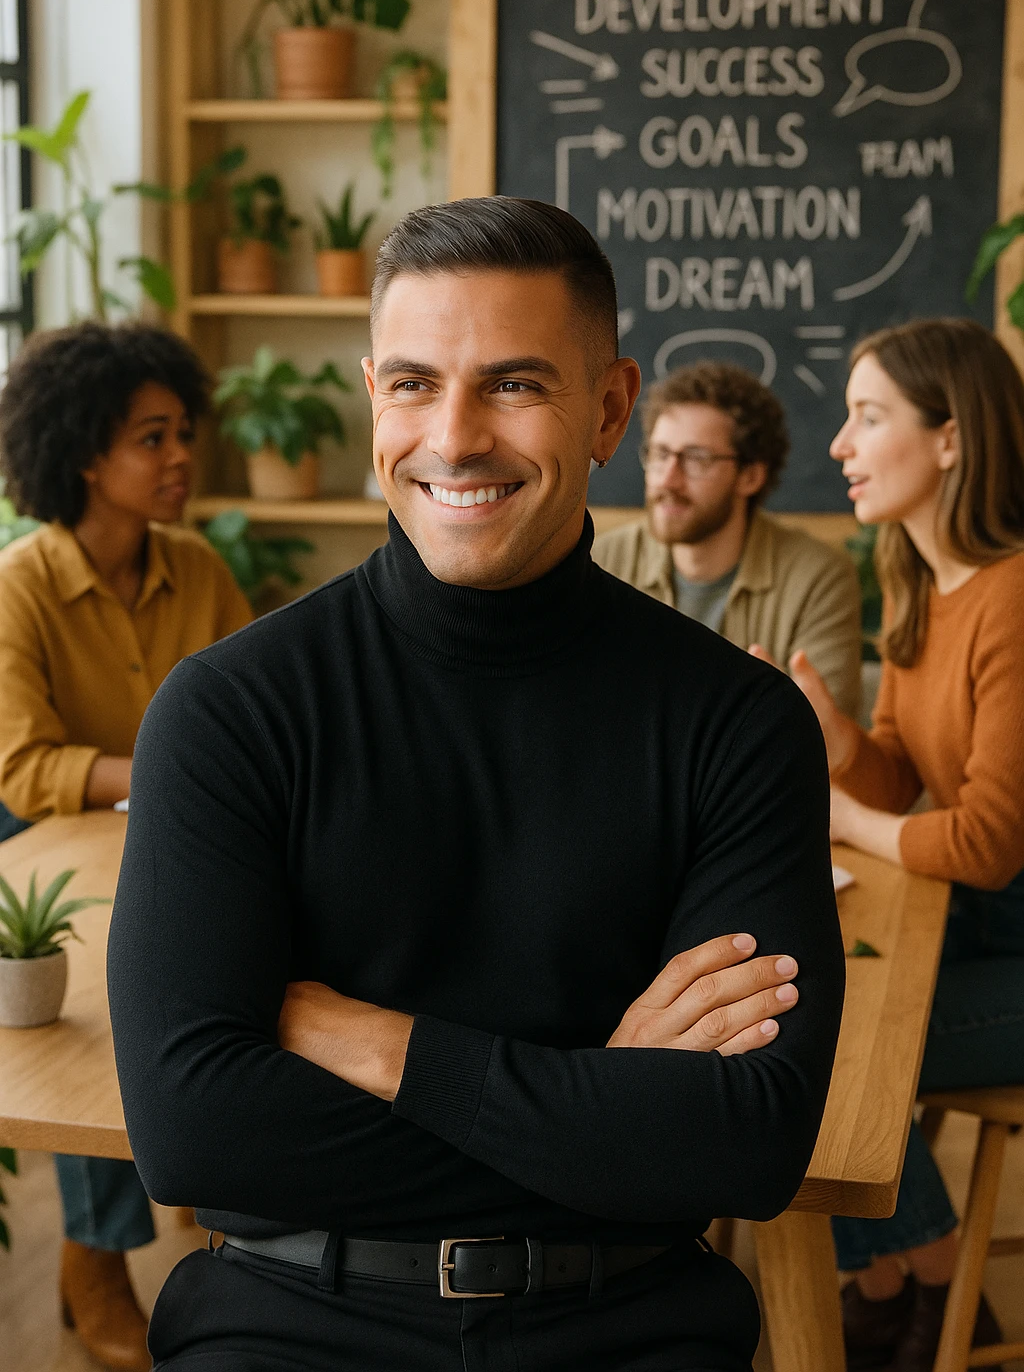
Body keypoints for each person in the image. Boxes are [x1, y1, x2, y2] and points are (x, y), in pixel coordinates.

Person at [107, 198, 845, 1372]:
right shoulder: (228, 710)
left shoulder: (739, 725)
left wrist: (383, 1047)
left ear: (609, 407)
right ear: (370, 401)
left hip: (631, 1327)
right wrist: (600, 1099)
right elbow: (194, 1135)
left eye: (512, 385)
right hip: (287, 1322)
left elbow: (747, 1146)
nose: (452, 438)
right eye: (411, 384)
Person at [0, 322, 252, 1372]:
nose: (182, 455)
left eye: (183, 431)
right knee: (104, 1012)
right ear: (87, 454)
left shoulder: (196, 568)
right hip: (49, 851)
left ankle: (229, 1190)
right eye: (154, 437)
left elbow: (255, 715)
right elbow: (23, 768)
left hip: (180, 835)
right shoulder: (19, 584)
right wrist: (165, 778)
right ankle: (95, 1257)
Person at [775, 319, 1024, 1372]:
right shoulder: (920, 584)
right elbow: (898, 768)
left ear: (952, 439)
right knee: (802, 1017)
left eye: (868, 417)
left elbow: (985, 843)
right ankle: (897, 1282)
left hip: (1010, 938)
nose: (838, 443)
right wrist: (834, 735)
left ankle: (926, 1282)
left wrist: (841, 815)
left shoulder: (1013, 598)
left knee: (832, 1056)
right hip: (980, 933)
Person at [592, 362, 862, 716]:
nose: (667, 480)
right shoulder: (602, 562)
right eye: (660, 455)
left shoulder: (816, 579)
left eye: (696, 459)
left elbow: (824, 739)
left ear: (750, 476)